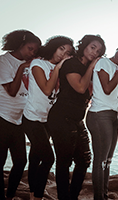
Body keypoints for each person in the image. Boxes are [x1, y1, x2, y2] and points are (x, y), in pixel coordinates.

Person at [47, 35, 106, 200]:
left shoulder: (90, 69)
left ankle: (72, 196)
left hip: (77, 120)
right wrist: (92, 66)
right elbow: (80, 87)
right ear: (84, 45)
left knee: (84, 160)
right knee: (64, 162)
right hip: (61, 118)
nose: (95, 52)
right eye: (93, 47)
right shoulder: (71, 63)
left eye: (99, 51)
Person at [22, 36, 75, 200]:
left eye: (67, 53)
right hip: (31, 118)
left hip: (48, 120)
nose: (63, 54)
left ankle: (33, 193)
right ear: (54, 47)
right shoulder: (39, 64)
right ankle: (37, 195)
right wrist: (58, 68)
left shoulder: (64, 69)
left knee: (35, 157)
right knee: (48, 158)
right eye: (61, 49)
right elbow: (46, 89)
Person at [86, 38, 118, 200]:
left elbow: (117, 95)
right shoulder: (103, 63)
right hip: (99, 114)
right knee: (100, 160)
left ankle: (104, 194)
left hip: (113, 115)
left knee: (107, 161)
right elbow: (107, 88)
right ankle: (98, 197)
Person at [0, 30, 41, 200]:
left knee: (20, 162)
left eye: (35, 51)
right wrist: (23, 67)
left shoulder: (31, 64)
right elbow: (11, 90)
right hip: (2, 117)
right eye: (30, 49)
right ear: (20, 45)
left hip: (19, 119)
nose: (32, 53)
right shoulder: (4, 61)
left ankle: (9, 195)